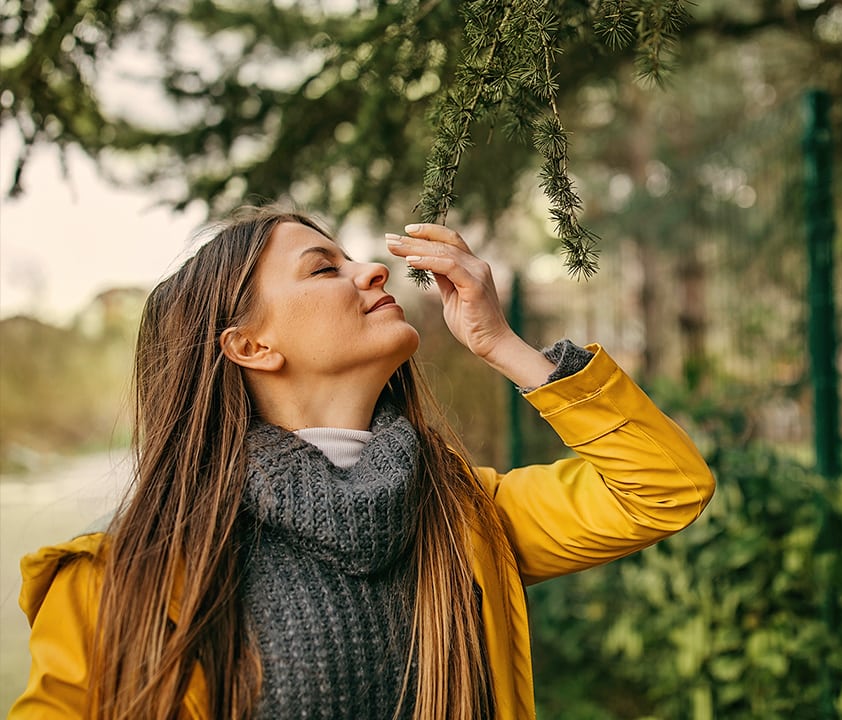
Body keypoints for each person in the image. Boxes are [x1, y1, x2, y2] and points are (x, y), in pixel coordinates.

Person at [9, 207, 715, 719]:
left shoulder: (467, 516)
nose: (373, 269)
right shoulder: (120, 582)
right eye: (325, 267)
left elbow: (664, 488)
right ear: (250, 347)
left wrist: (504, 346)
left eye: (351, 258)